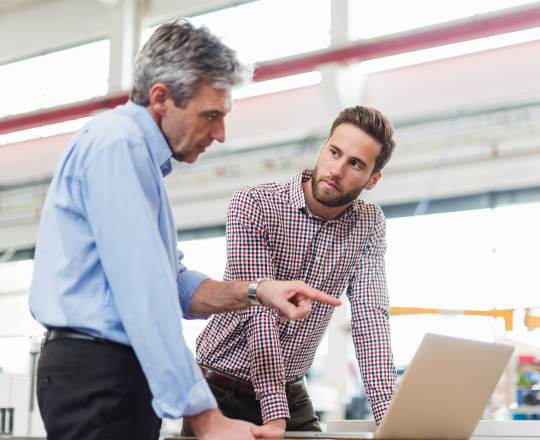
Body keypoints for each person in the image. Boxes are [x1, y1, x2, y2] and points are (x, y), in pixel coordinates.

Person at [28, 20, 340, 440]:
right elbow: (145, 294)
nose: (221, 134)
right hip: (96, 375)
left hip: (116, 375)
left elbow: (172, 285)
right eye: (211, 116)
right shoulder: (117, 146)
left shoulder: (137, 159)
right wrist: (206, 418)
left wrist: (258, 291)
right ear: (161, 98)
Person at [185, 106, 398, 437]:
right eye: (334, 152)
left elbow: (371, 319)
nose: (336, 169)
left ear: (373, 179)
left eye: (355, 164)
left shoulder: (368, 224)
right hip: (220, 390)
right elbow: (260, 314)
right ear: (323, 147)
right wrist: (275, 418)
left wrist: (394, 423)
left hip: (291, 390)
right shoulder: (255, 204)